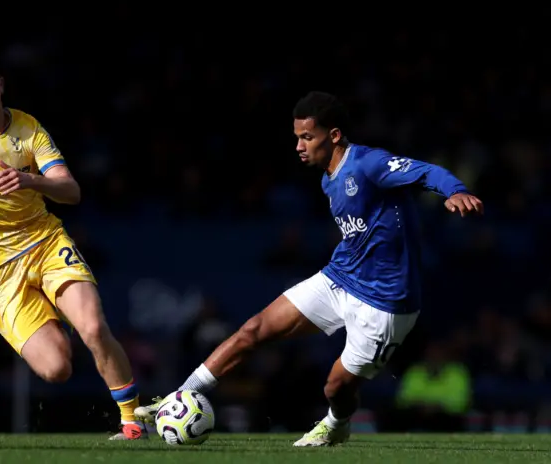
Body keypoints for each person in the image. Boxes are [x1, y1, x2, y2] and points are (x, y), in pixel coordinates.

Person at [135, 91, 484, 446]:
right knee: (253, 329)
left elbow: (425, 171)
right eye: (297, 138)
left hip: (385, 303)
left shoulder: (368, 164)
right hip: (341, 277)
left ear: (334, 135)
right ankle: (178, 398)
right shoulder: (327, 179)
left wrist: (454, 191)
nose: (300, 146)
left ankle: (337, 423)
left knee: (336, 386)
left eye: (308, 137)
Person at [0, 52, 145, 440]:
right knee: (57, 369)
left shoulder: (28, 130)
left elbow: (71, 191)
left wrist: (31, 181)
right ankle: (57, 323)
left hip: (45, 242)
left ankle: (133, 420)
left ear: (1, 84)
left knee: (93, 327)